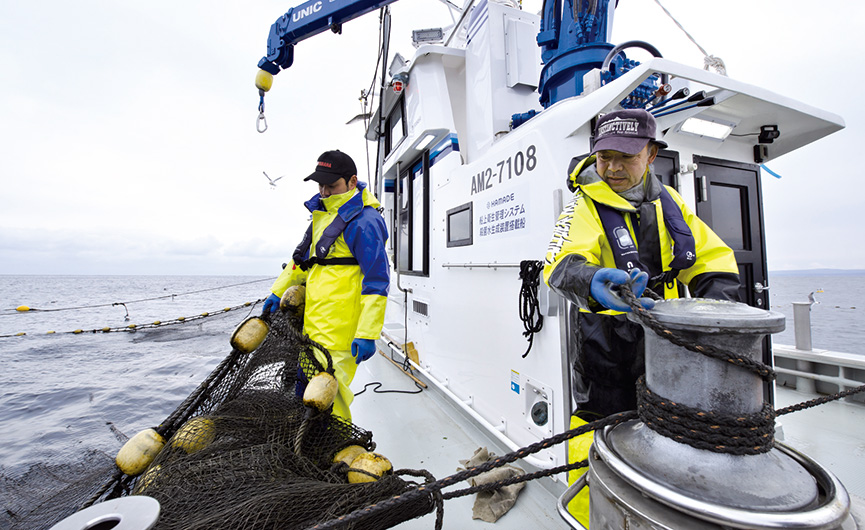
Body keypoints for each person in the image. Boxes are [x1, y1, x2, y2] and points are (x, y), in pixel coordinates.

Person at [542, 109, 740, 525]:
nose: (613, 168)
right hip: (605, 342)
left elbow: (711, 256)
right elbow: (559, 262)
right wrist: (590, 279)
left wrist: (718, 308)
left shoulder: (671, 202)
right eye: (605, 157)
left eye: (626, 157)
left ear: (651, 155)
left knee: (671, 427)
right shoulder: (584, 204)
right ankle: (589, 517)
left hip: (667, 342)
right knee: (594, 434)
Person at [262, 150, 389, 422]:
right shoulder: (323, 215)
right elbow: (303, 261)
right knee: (306, 395)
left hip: (340, 333)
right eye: (321, 185)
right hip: (314, 327)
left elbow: (377, 281)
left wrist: (368, 333)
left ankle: (337, 444)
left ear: (352, 181)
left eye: (331, 185)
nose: (324, 191)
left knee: (331, 400)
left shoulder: (365, 221)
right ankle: (310, 441)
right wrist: (277, 291)